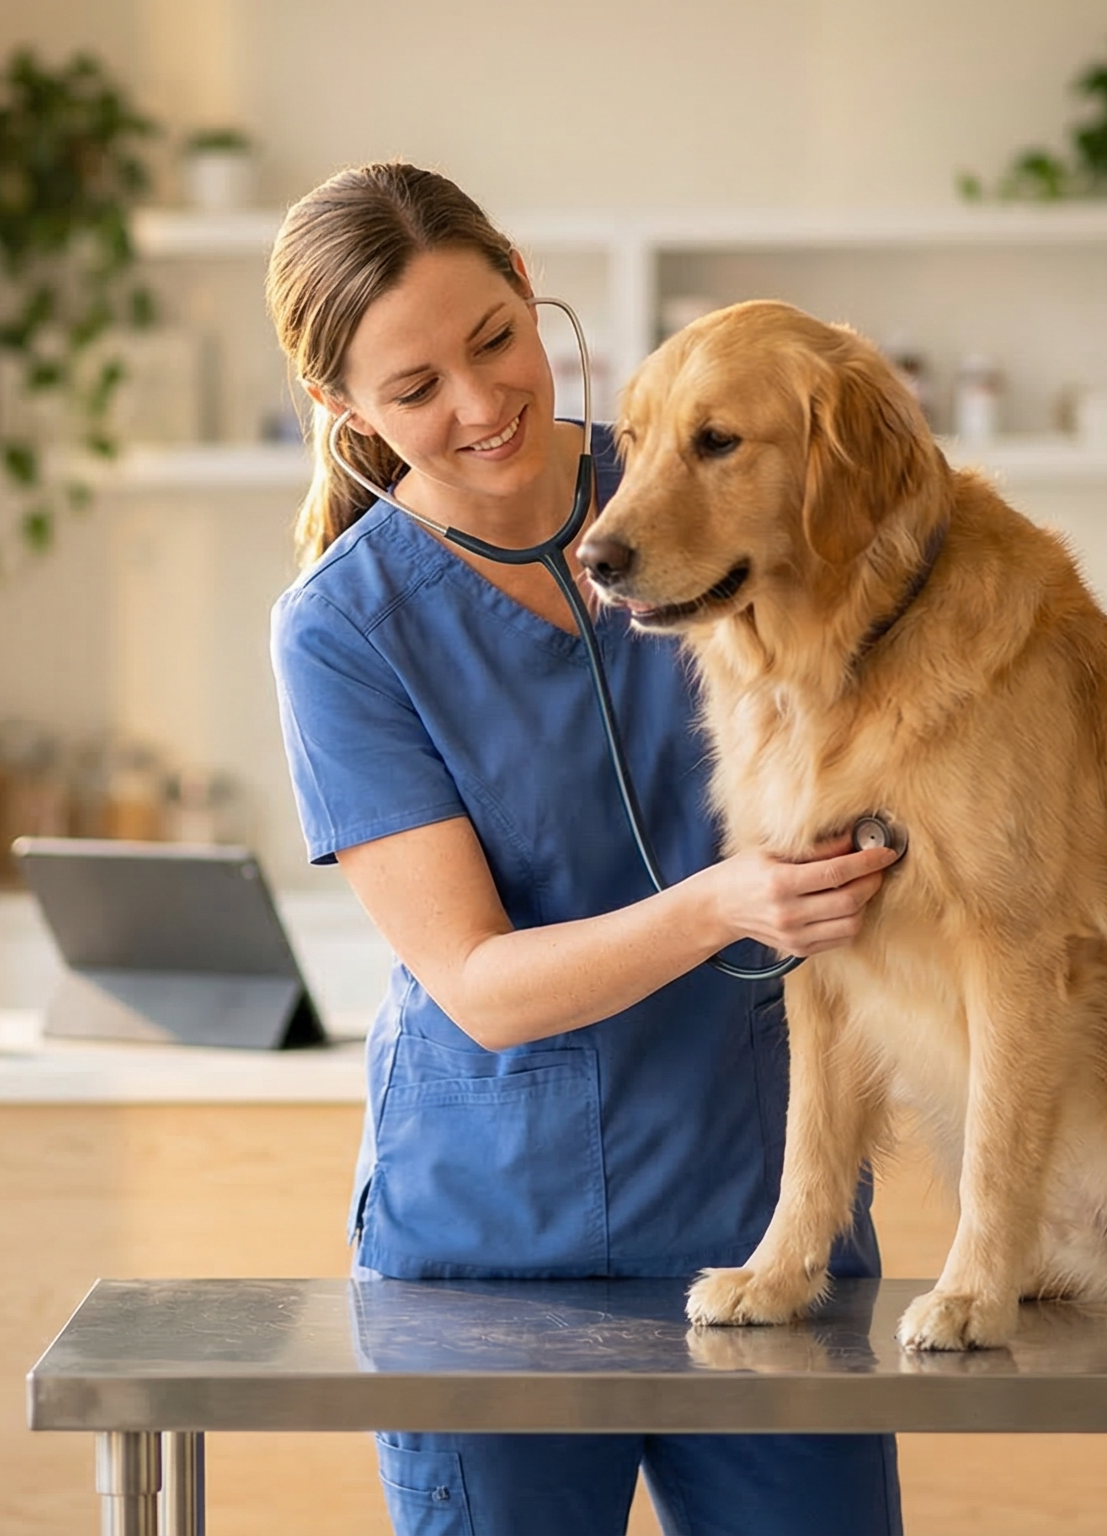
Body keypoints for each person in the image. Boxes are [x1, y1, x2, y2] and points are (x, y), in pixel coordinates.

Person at [264, 160, 907, 1536]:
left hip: (768, 1221)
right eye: (415, 388)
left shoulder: (718, 474)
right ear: (341, 412)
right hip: (493, 1263)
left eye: (496, 338)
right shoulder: (344, 628)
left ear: (523, 281)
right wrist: (725, 903)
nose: (485, 405)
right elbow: (481, 986)